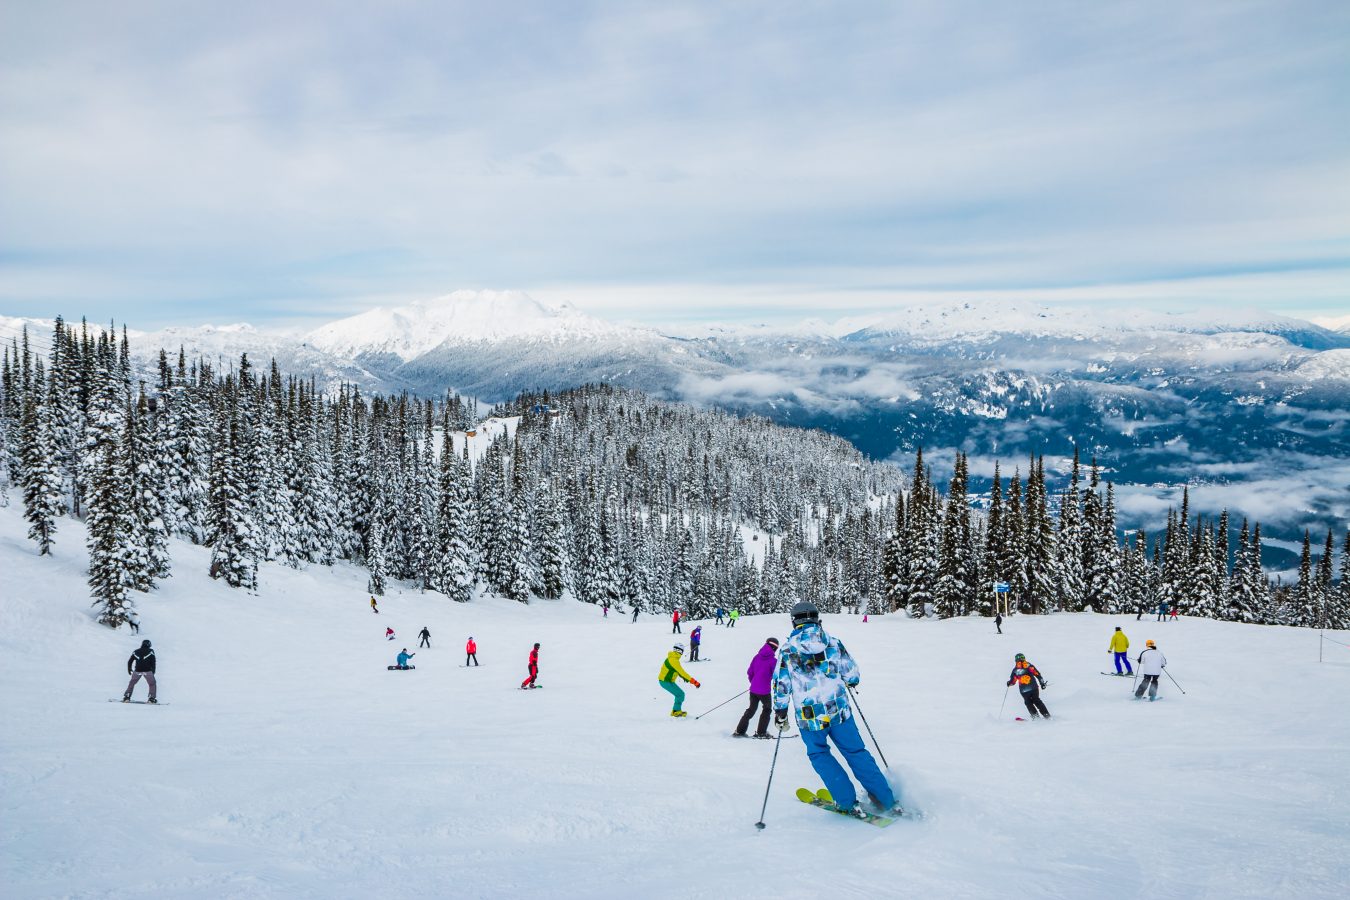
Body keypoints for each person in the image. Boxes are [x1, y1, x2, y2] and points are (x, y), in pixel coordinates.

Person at [772, 602, 896, 817]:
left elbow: (781, 685)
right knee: (856, 752)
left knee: (819, 754)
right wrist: (850, 681)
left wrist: (780, 711)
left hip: (810, 718)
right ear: (817, 619)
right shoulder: (833, 643)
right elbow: (852, 674)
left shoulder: (787, 650)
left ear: (794, 621)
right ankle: (884, 798)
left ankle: (846, 801)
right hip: (840, 711)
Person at [734, 637, 779, 738]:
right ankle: (761, 732)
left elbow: (750, 672)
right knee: (767, 710)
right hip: (764, 691)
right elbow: (776, 676)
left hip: (753, 690)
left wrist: (754, 683)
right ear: (775, 648)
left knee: (751, 710)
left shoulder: (757, 657)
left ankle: (739, 731)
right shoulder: (773, 661)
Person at [657, 643, 700, 717]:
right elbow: (682, 672)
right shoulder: (673, 660)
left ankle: (676, 711)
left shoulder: (673, 658)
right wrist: (694, 682)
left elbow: (678, 672)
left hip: (668, 681)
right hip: (665, 681)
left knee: (680, 694)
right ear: (680, 651)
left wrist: (685, 678)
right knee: (680, 694)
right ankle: (676, 711)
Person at [1007, 653, 1050, 719]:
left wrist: (1009, 683)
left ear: (1015, 660)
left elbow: (1013, 682)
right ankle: (1047, 715)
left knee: (1028, 703)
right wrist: (1042, 683)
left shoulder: (1015, 670)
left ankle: (1035, 717)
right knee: (1037, 700)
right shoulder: (1029, 666)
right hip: (1034, 688)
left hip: (1024, 690)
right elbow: (1037, 674)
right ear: (1024, 658)